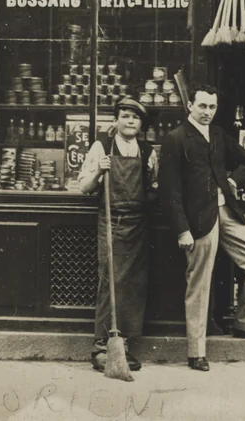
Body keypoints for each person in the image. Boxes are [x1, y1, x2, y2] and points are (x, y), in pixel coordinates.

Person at [159, 83, 245, 372]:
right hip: (197, 219)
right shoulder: (175, 139)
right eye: (202, 106)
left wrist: (233, 180)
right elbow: (169, 191)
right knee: (199, 283)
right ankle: (196, 352)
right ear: (190, 107)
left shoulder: (219, 135)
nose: (207, 112)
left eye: (212, 107)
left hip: (226, 211)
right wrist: (182, 230)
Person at [77, 97, 158, 373]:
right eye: (125, 116)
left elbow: (153, 188)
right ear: (116, 120)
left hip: (138, 224)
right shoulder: (102, 147)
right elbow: (84, 187)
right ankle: (102, 346)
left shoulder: (147, 152)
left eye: (135, 117)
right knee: (110, 279)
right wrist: (100, 169)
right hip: (111, 222)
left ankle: (122, 346)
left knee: (133, 284)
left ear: (141, 123)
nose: (130, 121)